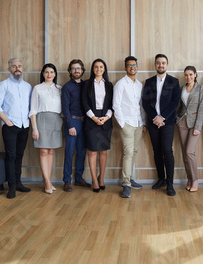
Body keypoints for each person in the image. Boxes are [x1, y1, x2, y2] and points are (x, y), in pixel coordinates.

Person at [0, 58, 33, 199]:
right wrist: (7, 122)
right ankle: (12, 186)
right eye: (14, 66)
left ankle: (18, 182)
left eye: (20, 66)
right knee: (10, 156)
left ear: (23, 68)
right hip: (10, 127)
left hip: (24, 126)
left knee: (19, 156)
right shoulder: (3, 85)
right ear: (9, 68)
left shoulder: (28, 86)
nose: (17, 68)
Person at [142, 54, 180, 196]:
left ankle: (170, 183)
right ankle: (161, 179)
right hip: (153, 122)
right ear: (155, 65)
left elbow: (175, 102)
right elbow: (145, 103)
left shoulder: (174, 82)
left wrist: (162, 117)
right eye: (158, 63)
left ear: (167, 65)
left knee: (167, 151)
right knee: (156, 151)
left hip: (167, 122)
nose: (161, 65)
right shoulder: (149, 82)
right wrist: (155, 118)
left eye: (163, 63)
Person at [113, 56, 145, 198]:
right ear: (125, 68)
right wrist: (122, 124)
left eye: (135, 65)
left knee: (135, 151)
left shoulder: (139, 85)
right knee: (128, 153)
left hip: (138, 123)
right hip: (126, 124)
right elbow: (116, 105)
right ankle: (126, 184)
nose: (132, 67)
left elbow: (140, 106)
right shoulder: (120, 84)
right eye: (130, 65)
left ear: (137, 67)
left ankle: (130, 179)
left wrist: (143, 122)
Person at [29, 63, 63, 195]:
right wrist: (34, 128)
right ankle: (47, 182)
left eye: (52, 72)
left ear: (55, 74)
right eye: (46, 72)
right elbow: (33, 109)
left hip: (56, 120)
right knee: (43, 151)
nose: (49, 75)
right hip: (41, 120)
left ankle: (47, 180)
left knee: (51, 151)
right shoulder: (37, 88)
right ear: (43, 74)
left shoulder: (59, 89)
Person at [82, 58, 113, 193]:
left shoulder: (109, 85)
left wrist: (106, 118)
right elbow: (84, 102)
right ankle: (94, 179)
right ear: (92, 69)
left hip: (105, 120)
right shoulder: (86, 84)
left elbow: (112, 104)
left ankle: (102, 178)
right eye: (96, 67)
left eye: (101, 67)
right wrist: (94, 118)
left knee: (103, 151)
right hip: (91, 119)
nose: (98, 69)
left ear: (104, 69)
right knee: (93, 151)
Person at [61, 59, 91, 192]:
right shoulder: (67, 87)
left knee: (82, 152)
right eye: (73, 68)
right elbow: (65, 108)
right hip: (72, 122)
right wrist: (70, 125)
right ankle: (67, 181)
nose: (76, 70)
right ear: (69, 71)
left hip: (86, 123)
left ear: (83, 70)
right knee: (69, 152)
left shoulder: (87, 85)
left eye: (79, 68)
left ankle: (79, 178)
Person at [176, 66, 203, 192]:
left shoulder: (200, 88)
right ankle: (189, 178)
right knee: (184, 153)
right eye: (186, 75)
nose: (188, 77)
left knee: (189, 152)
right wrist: (177, 119)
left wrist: (198, 127)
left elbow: (201, 109)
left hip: (194, 123)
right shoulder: (182, 88)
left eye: (190, 74)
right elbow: (181, 106)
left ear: (195, 75)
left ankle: (195, 179)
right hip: (182, 122)